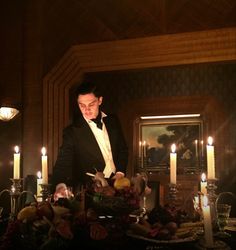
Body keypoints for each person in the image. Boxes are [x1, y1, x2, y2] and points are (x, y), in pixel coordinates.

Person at [51, 81, 128, 193]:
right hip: (91, 192)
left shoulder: (113, 121)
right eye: (82, 105)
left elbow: (123, 150)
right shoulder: (72, 132)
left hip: (118, 188)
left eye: (91, 104)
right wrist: (59, 187)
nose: (86, 110)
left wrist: (120, 173)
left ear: (100, 100)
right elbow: (62, 164)